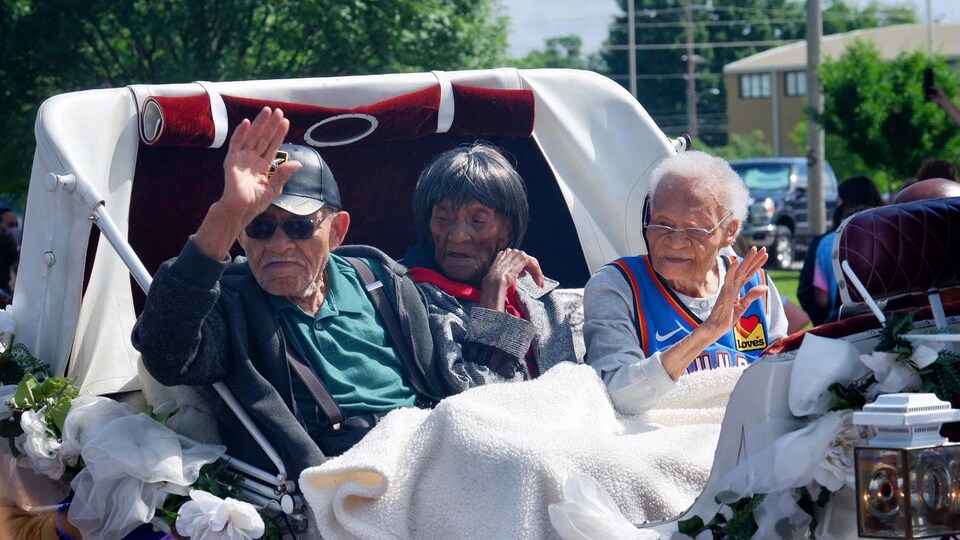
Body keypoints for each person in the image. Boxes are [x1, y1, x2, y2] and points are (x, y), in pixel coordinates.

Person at [132, 107, 447, 479]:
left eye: (299, 227)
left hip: (429, 447)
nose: (279, 245)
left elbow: (453, 369)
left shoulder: (379, 279)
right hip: (345, 473)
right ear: (239, 235)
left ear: (337, 232)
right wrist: (228, 212)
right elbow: (166, 353)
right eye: (259, 226)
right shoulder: (231, 306)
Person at [583, 151, 787, 415]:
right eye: (663, 224)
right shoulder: (618, 285)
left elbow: (783, 378)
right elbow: (619, 396)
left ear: (730, 232)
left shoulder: (754, 285)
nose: (675, 241)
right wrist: (708, 331)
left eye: (694, 230)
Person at [401, 144, 583, 393]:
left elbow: (571, 391)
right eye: (443, 218)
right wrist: (493, 301)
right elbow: (478, 402)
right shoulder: (417, 300)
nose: (458, 236)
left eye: (478, 221)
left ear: (506, 230)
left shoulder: (539, 294)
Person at [797, 175, 884, 325]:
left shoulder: (826, 243)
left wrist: (825, 325)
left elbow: (816, 297)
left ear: (845, 203)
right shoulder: (889, 235)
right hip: (886, 318)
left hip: (840, 323)